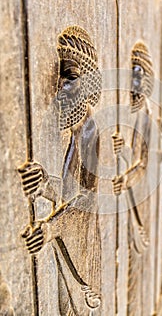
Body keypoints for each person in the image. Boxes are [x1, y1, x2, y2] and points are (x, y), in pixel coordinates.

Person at [18, 26, 102, 315]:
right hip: (67, 252)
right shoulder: (79, 134)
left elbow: (88, 204)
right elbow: (69, 190)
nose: (61, 88)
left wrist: (51, 228)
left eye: (71, 77)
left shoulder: (92, 133)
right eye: (60, 78)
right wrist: (43, 183)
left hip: (80, 258)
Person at [112, 42, 154, 315]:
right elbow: (134, 156)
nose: (134, 82)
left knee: (136, 257)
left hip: (140, 196)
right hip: (131, 194)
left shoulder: (146, 116)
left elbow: (145, 164)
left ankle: (134, 307)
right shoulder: (136, 113)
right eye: (131, 75)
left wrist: (126, 179)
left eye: (139, 75)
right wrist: (122, 150)